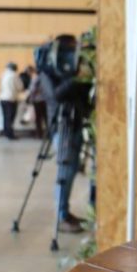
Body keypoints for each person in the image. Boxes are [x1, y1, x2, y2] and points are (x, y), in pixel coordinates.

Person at [53, 59, 93, 234]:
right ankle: (61, 217)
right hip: (63, 128)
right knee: (65, 172)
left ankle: (66, 214)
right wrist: (77, 78)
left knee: (72, 170)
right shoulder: (53, 69)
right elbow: (56, 95)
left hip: (76, 124)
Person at [0, 62, 24, 140]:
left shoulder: (3, 74)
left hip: (2, 98)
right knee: (10, 117)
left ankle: (5, 132)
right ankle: (10, 134)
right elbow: (20, 87)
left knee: (5, 117)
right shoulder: (14, 75)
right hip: (11, 99)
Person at [26, 68, 50, 140]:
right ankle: (49, 134)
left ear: (30, 72)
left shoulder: (35, 79)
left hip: (37, 100)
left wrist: (29, 98)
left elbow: (33, 90)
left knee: (38, 119)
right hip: (44, 100)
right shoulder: (42, 78)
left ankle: (39, 134)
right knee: (45, 118)